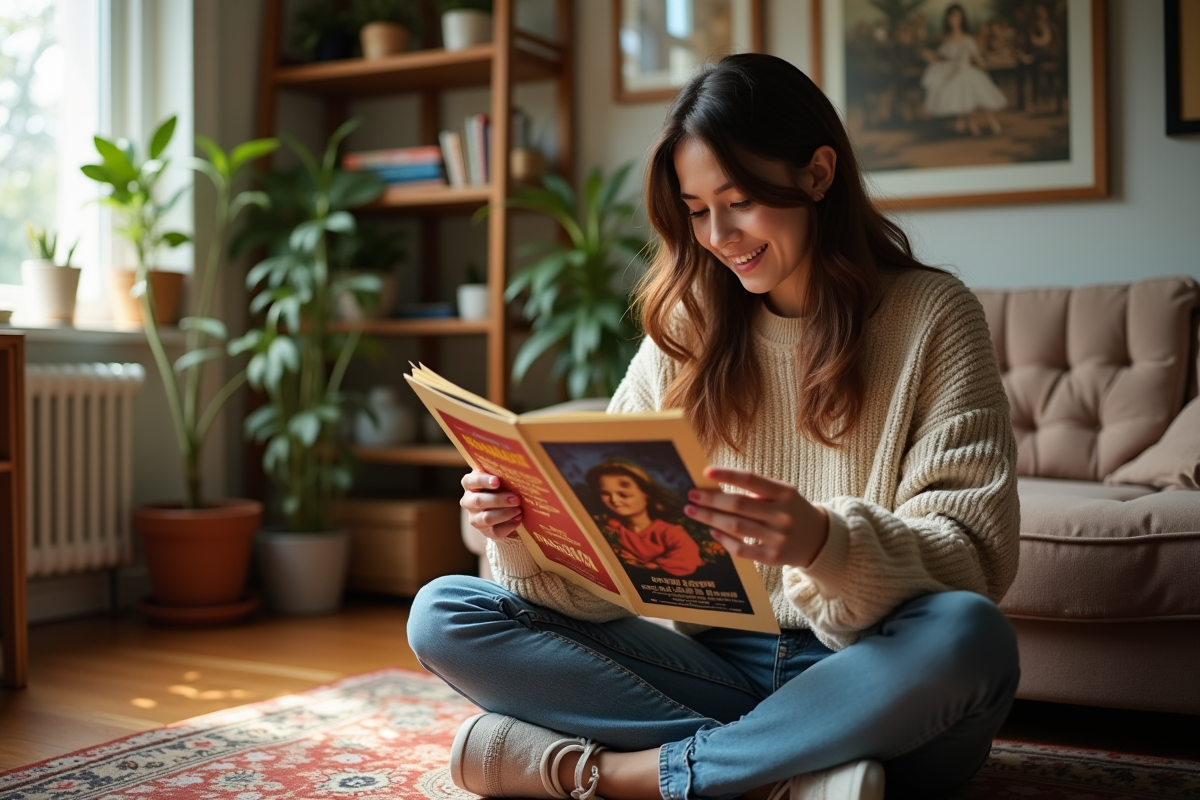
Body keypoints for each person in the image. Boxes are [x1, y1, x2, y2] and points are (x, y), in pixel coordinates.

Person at [409, 52, 1019, 800]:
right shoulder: (686, 325)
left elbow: (975, 558)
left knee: (971, 636)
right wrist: (522, 528)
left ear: (818, 175)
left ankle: (615, 776)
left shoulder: (933, 316)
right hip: (715, 674)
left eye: (738, 201)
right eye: (697, 211)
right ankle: (786, 773)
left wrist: (823, 543)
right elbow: (608, 582)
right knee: (445, 612)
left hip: (877, 669)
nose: (719, 234)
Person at [585, 459, 704, 578]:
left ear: (647, 494)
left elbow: (689, 562)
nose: (614, 500)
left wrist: (641, 564)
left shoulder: (671, 533)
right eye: (605, 494)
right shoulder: (611, 527)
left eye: (624, 495)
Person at [920, 4, 1008, 135]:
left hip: (966, 70)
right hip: (953, 71)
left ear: (962, 19)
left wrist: (986, 66)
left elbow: (977, 57)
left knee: (978, 92)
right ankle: (971, 125)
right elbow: (941, 58)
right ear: (948, 19)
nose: (955, 20)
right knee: (960, 93)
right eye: (952, 17)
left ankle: (992, 123)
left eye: (958, 17)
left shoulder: (967, 39)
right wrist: (929, 55)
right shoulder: (947, 40)